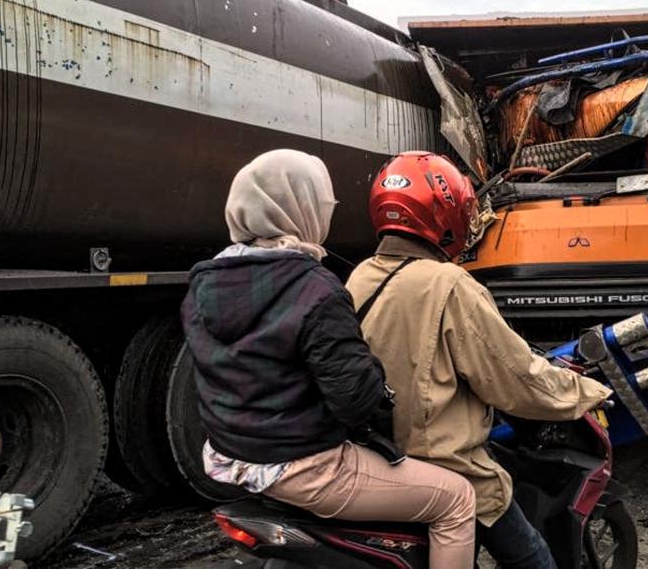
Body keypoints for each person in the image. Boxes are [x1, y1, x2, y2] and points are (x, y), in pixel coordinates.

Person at [181, 149, 476, 569]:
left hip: (235, 459)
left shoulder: (202, 284)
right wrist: (378, 378)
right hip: (309, 467)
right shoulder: (315, 288)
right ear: (300, 209)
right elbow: (354, 400)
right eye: (322, 205)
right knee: (456, 500)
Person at [345, 151, 612, 569]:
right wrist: (587, 392)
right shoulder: (449, 283)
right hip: (445, 464)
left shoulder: (360, 276)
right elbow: (514, 378)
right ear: (444, 213)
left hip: (381, 459)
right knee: (535, 558)